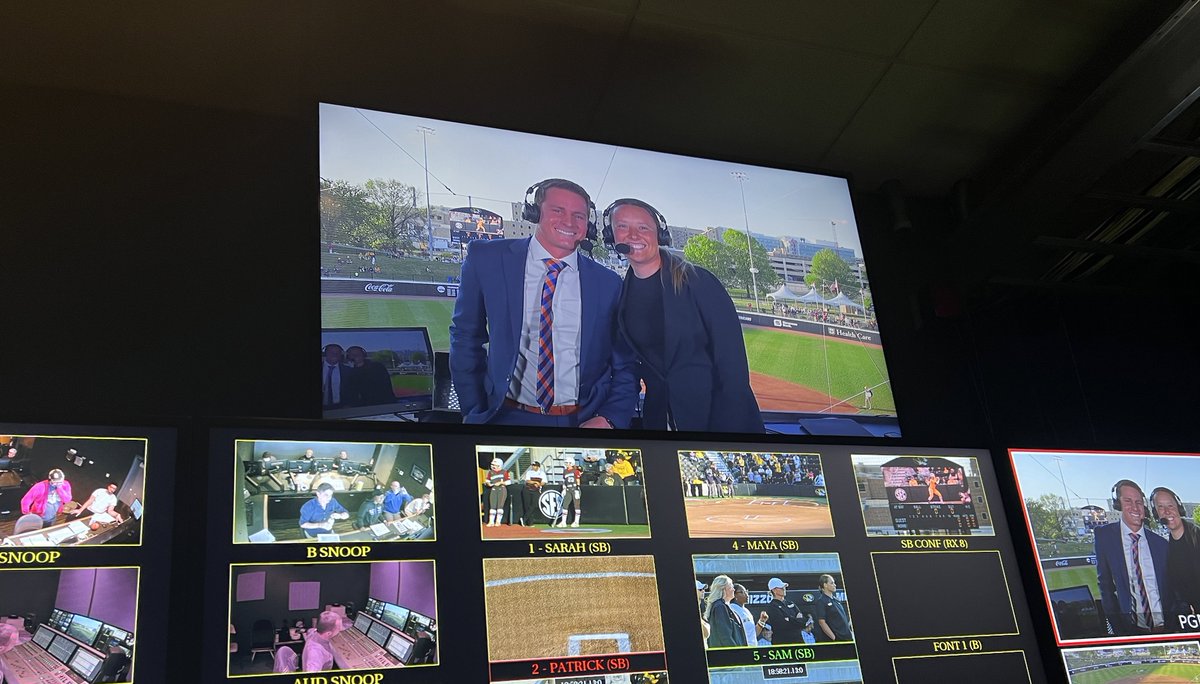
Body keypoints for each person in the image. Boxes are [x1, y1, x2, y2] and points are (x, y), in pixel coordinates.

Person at [449, 178, 636, 428]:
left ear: (587, 225)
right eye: (558, 210)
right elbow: (465, 337)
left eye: (579, 216)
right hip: (504, 416)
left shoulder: (609, 283)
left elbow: (626, 362)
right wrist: (473, 410)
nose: (569, 222)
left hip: (583, 420)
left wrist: (610, 418)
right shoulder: (486, 259)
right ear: (535, 212)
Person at [604, 198, 763, 433]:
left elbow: (732, 367)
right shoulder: (621, 292)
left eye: (643, 227)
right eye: (623, 226)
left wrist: (727, 438)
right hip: (660, 420)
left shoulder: (698, 281)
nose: (633, 235)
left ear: (659, 235)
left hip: (719, 421)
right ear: (611, 235)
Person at [1095, 479, 1169, 635]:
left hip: (1166, 628)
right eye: (1128, 501)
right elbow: (1105, 585)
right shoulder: (1105, 536)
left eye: (1139, 502)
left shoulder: (1161, 544)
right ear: (1118, 504)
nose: (1135, 507)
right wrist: (1118, 627)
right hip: (1131, 630)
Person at [1151, 486, 1200, 619]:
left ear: (1178, 507)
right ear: (1156, 513)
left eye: (1170, 505)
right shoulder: (1165, 548)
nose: (1167, 511)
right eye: (1161, 507)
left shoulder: (1197, 536)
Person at [704, 575, 747, 648]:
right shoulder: (719, 607)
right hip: (729, 655)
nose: (734, 589)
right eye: (731, 586)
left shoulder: (724, 606)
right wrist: (736, 653)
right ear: (723, 589)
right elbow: (725, 635)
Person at [763, 577, 806, 646]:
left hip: (799, 643)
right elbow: (783, 625)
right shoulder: (772, 606)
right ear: (774, 590)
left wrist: (789, 619)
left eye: (784, 587)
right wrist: (796, 620)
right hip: (783, 645)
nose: (784, 589)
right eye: (781, 587)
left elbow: (803, 622)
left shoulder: (790, 603)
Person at [811, 574, 852, 642]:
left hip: (848, 637)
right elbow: (822, 622)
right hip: (838, 639)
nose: (835, 585)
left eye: (834, 583)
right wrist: (834, 638)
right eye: (832, 583)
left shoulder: (836, 600)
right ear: (825, 585)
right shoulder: (821, 601)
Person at [484, 458, 512, 527]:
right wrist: (488, 484)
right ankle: (491, 522)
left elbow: (509, 482)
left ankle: (498, 521)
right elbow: (487, 480)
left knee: (500, 506)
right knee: (492, 506)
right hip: (493, 489)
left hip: (501, 489)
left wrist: (501, 482)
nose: (493, 466)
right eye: (492, 464)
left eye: (494, 465)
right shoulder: (490, 472)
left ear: (499, 465)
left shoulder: (504, 472)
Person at [555, 456, 582, 528]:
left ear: (571, 463)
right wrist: (564, 488)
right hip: (567, 489)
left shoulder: (576, 471)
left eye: (568, 463)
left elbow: (578, 480)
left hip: (574, 489)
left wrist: (577, 489)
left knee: (576, 505)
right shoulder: (565, 471)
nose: (567, 464)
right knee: (565, 505)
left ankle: (576, 522)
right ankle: (563, 522)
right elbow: (564, 481)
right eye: (566, 463)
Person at [321, 344, 347, 409]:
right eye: (331, 352)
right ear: (325, 353)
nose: (335, 354)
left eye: (337, 352)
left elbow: (351, 390)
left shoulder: (347, 370)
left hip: (340, 407)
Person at [520, 461, 547, 526]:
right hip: (527, 490)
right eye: (532, 465)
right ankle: (529, 522)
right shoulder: (529, 472)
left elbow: (544, 481)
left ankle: (524, 518)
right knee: (527, 505)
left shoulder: (542, 473)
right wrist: (535, 482)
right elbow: (527, 480)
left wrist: (539, 484)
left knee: (534, 505)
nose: (533, 467)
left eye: (534, 466)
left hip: (536, 490)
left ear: (538, 467)